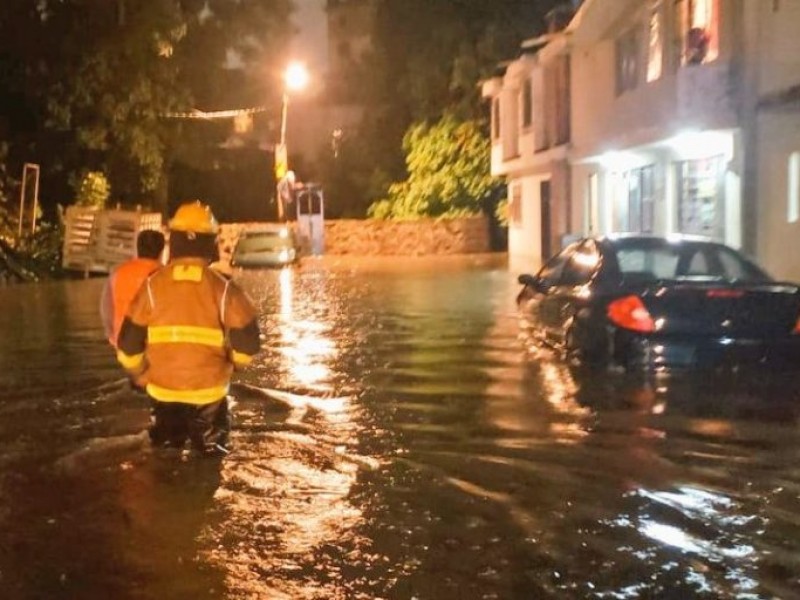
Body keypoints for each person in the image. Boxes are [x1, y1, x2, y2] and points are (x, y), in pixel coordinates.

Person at [116, 201, 261, 456]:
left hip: (163, 394)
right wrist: (234, 364)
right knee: (209, 464)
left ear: (175, 242)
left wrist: (139, 374)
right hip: (209, 398)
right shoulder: (223, 288)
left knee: (163, 461)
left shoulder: (152, 286)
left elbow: (127, 345)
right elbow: (248, 342)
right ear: (210, 243)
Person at [100, 229, 166, 347]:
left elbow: (106, 309)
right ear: (162, 252)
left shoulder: (118, 274)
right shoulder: (166, 276)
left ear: (137, 249)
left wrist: (113, 337)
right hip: (157, 346)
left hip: (123, 343)